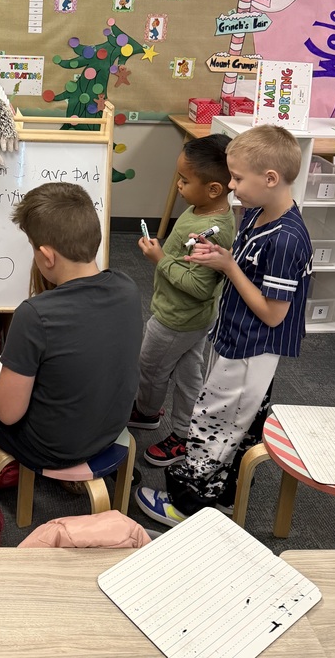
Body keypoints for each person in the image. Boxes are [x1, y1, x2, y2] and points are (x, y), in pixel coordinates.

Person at [135, 124, 313, 526]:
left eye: (237, 178)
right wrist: (221, 255)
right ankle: (223, 494)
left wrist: (227, 265)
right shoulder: (257, 214)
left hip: (252, 346)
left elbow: (273, 313)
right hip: (234, 337)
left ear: (270, 179)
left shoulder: (286, 238)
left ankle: (188, 506)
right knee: (232, 422)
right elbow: (245, 265)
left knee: (215, 424)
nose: (230, 187)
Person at [0, 182, 143, 472]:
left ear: (47, 256)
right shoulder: (129, 287)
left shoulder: (35, 315)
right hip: (111, 428)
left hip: (55, 448)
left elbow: (6, 414)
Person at [131, 134, 236, 467]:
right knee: (191, 376)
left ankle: (148, 412)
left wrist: (160, 259)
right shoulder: (203, 210)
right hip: (194, 319)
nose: (178, 184)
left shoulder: (212, 230)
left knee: (150, 368)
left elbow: (198, 286)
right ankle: (184, 431)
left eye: (185, 180)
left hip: (176, 319)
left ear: (214, 189)